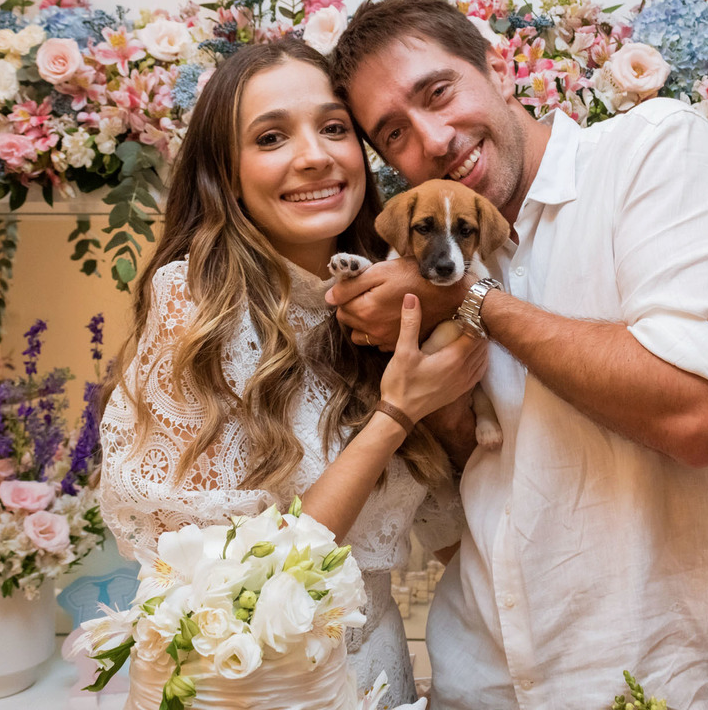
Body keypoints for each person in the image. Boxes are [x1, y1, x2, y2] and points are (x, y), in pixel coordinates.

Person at [326, 0, 708, 710]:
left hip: (681, 678)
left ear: (496, 64)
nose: (430, 139)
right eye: (393, 132)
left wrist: (471, 303)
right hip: (483, 676)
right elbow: (480, 465)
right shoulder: (433, 248)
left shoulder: (654, 152)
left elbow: (695, 414)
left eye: (438, 92)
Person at [96, 37, 488, 708]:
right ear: (228, 171)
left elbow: (455, 521)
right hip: (261, 686)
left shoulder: (391, 297)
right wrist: (395, 415)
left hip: (384, 676)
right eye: (272, 137)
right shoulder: (198, 305)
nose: (314, 155)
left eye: (334, 129)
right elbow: (239, 580)